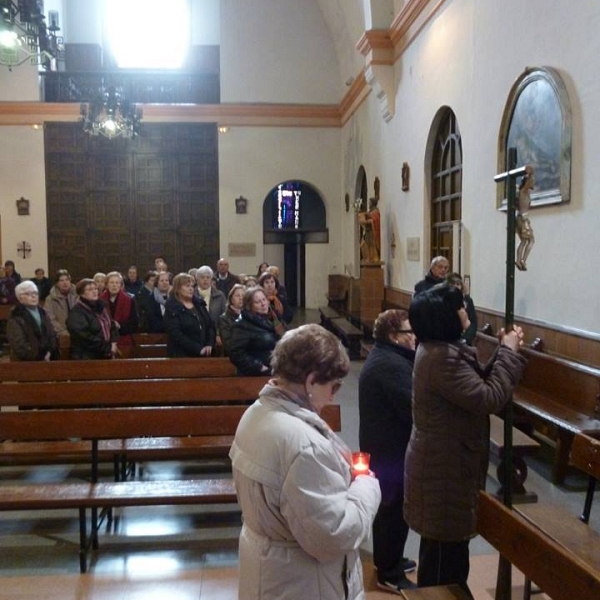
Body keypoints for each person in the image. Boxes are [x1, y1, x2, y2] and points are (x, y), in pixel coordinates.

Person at [229, 324, 381, 600]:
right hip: (304, 583)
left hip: (269, 569)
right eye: (333, 385)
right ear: (311, 382)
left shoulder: (256, 413)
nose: (334, 394)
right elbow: (332, 535)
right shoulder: (303, 444)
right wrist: (367, 486)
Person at [404, 284, 526, 597]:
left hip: (443, 462)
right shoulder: (441, 358)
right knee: (445, 563)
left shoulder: (439, 349)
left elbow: (476, 383)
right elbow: (489, 397)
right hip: (445, 471)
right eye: (461, 306)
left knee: (444, 555)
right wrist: (510, 354)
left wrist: (502, 352)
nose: (465, 311)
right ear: (446, 316)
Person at [358, 309, 417, 593]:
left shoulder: (389, 357)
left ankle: (391, 558)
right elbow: (411, 408)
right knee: (392, 510)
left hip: (386, 446)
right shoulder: (390, 365)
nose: (414, 337)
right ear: (394, 336)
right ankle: (388, 572)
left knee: (393, 509)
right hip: (389, 450)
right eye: (409, 332)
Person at [229, 286, 285, 375]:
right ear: (249, 306)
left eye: (264, 299)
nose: (263, 304)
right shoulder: (242, 325)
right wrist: (259, 367)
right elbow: (236, 353)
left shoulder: (273, 318)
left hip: (274, 370)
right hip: (255, 374)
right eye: (257, 302)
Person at [163, 273, 215, 358]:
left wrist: (209, 344)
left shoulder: (199, 304)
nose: (191, 289)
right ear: (178, 289)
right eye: (187, 286)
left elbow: (210, 326)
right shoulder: (172, 307)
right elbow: (176, 334)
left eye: (192, 286)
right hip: (181, 355)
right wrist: (197, 349)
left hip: (205, 353)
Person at [66, 278, 119, 360]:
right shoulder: (77, 312)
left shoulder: (101, 307)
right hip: (85, 356)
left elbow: (111, 325)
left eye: (95, 289)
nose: (94, 291)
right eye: (90, 289)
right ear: (81, 293)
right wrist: (107, 347)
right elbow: (84, 337)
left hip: (104, 354)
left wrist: (113, 342)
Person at [6, 281, 59, 361]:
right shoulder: (16, 317)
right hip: (27, 363)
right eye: (28, 294)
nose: (33, 296)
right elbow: (20, 345)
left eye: (35, 293)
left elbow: (51, 334)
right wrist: (40, 357)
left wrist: (50, 352)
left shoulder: (43, 313)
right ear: (20, 298)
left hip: (48, 358)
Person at [101, 271, 138, 346]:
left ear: (121, 285)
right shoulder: (99, 300)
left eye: (117, 283)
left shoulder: (130, 300)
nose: (114, 285)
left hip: (123, 338)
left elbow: (134, 323)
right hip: (103, 340)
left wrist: (120, 326)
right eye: (111, 283)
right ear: (107, 285)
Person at [195, 265, 227, 350]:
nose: (205, 280)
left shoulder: (220, 295)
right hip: (197, 336)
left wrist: (218, 334)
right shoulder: (192, 295)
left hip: (216, 336)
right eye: (202, 277)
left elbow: (224, 317)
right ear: (197, 279)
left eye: (208, 277)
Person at [446, 273, 478, 345]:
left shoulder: (467, 300)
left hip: (464, 341)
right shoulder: (443, 300)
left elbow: (473, 322)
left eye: (458, 284)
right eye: (452, 284)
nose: (455, 287)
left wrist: (466, 338)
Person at [44, 269, 78, 337]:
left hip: (78, 332)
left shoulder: (78, 295)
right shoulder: (50, 299)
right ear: (57, 283)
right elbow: (50, 318)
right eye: (61, 280)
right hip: (60, 334)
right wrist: (63, 332)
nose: (65, 283)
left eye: (67, 280)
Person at [516, 165, 535, 271]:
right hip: (523, 219)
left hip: (521, 218)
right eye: (532, 181)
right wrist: (531, 173)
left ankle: (519, 260)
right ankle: (522, 260)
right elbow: (528, 181)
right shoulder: (522, 192)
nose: (533, 182)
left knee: (524, 241)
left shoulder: (525, 192)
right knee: (531, 240)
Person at [218, 283, 245, 356]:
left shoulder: (250, 315)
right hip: (233, 357)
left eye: (243, 295)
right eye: (237, 295)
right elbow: (228, 344)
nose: (241, 298)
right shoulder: (224, 318)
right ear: (231, 298)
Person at [358, 196, 381, 262]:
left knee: (372, 244)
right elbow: (368, 215)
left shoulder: (376, 211)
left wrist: (367, 220)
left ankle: (374, 257)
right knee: (366, 244)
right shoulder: (371, 211)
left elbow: (374, 220)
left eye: (370, 202)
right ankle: (368, 258)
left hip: (372, 231)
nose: (369, 203)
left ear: (373, 203)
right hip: (368, 231)